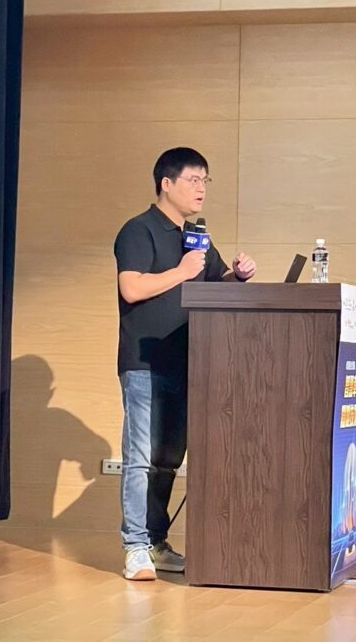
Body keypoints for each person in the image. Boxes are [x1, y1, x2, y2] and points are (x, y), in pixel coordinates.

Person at [113, 147, 257, 580]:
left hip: (187, 362)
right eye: (194, 179)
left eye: (205, 181)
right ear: (167, 183)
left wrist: (238, 275)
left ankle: (156, 543)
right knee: (140, 458)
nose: (201, 189)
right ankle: (135, 547)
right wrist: (182, 270)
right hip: (144, 361)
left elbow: (213, 284)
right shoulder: (138, 230)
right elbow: (132, 288)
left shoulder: (196, 237)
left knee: (168, 460)